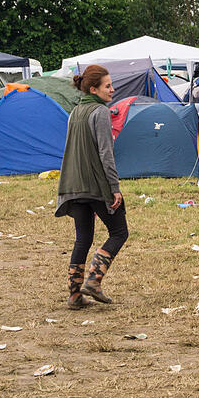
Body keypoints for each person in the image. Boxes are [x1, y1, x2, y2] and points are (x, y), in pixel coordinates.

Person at [54, 65, 128, 309]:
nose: (112, 89)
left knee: (82, 239)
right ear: (93, 89)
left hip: (73, 185)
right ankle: (94, 281)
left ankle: (74, 296)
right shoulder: (100, 112)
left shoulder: (75, 112)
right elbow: (106, 154)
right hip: (95, 184)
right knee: (119, 232)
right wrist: (114, 187)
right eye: (108, 86)